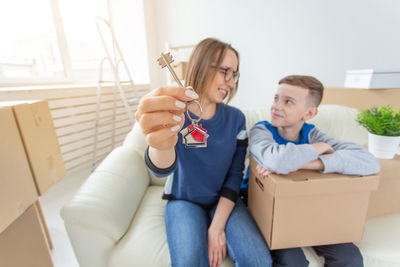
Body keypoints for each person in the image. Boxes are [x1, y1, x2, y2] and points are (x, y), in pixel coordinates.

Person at [135, 38, 272, 267]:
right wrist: (162, 143)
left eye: (234, 74)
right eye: (225, 71)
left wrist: (216, 227)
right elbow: (161, 169)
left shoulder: (236, 119)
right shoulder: (174, 113)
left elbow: (235, 174)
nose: (230, 82)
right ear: (201, 65)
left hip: (224, 200)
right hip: (183, 200)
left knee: (258, 261)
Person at [242, 74, 380, 267]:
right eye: (276, 98)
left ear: (309, 114)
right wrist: (319, 148)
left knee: (350, 257)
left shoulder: (312, 134)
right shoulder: (262, 131)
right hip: (267, 210)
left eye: (288, 102)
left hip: (308, 208)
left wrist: (309, 163)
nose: (276, 106)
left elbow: (369, 161)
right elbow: (278, 159)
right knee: (293, 261)